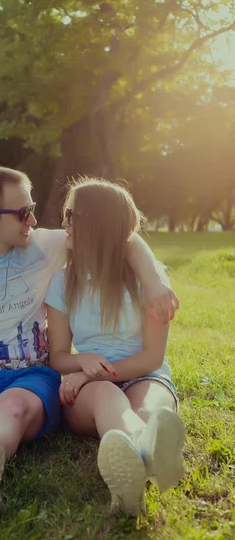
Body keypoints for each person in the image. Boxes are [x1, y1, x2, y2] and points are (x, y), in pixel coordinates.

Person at [0, 166, 179, 523]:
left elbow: (121, 232)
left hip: (50, 375)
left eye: (37, 209)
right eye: (23, 212)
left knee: (18, 409)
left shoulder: (45, 244)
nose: (36, 220)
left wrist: (154, 279)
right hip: (2, 375)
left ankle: (138, 457)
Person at [45, 177, 185, 517]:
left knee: (153, 406)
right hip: (92, 391)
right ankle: (141, 456)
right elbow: (58, 356)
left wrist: (91, 373)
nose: (64, 222)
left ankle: (135, 464)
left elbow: (152, 358)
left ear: (96, 223)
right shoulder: (63, 281)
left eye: (71, 214)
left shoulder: (150, 286)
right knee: (109, 397)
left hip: (143, 374)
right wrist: (85, 366)